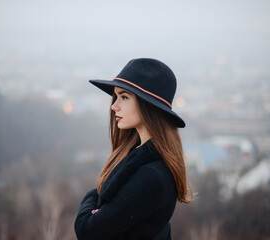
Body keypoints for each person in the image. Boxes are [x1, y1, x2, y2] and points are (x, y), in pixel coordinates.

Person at [74, 58, 193, 240]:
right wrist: (97, 204)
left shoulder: (151, 176)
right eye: (116, 96)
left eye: (124, 97)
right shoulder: (137, 154)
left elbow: (87, 230)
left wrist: (93, 204)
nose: (114, 106)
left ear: (149, 105)